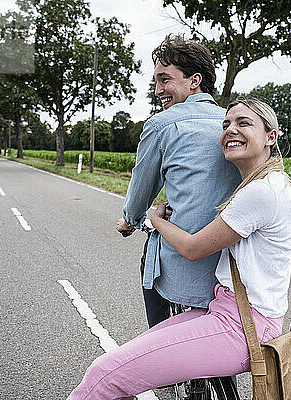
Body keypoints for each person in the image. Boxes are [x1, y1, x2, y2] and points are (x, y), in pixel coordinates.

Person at [67, 98, 291, 400]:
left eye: (243, 123)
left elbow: (192, 248)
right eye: (226, 124)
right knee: (124, 360)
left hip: (242, 326)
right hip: (235, 313)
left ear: (271, 137)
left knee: (104, 375)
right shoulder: (275, 183)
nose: (231, 130)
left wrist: (154, 218)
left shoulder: (260, 192)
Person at [116, 35, 240, 328]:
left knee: (160, 334)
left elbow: (142, 187)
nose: (158, 90)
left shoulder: (161, 125)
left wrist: (130, 220)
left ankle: (161, 351)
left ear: (194, 80)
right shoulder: (233, 124)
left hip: (183, 260)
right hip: (229, 264)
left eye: (164, 79)